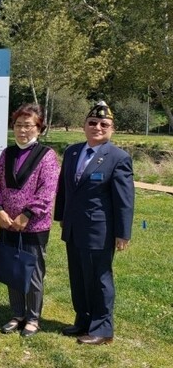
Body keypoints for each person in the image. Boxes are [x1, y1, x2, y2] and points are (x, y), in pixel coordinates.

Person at [54, 101, 134, 345]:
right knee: (78, 276)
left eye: (104, 124)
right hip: (74, 227)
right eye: (92, 122)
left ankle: (102, 328)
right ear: (84, 126)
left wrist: (123, 233)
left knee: (99, 279)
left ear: (112, 129)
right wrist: (61, 217)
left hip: (100, 230)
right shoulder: (72, 152)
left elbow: (124, 199)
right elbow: (65, 189)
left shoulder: (118, 158)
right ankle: (83, 320)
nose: (97, 127)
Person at [0, 103, 60, 337]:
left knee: (33, 271)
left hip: (33, 226)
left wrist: (26, 215)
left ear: (39, 128)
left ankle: (32, 318)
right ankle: (17, 314)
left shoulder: (47, 156)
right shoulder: (6, 154)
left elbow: (47, 191)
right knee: (13, 269)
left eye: (28, 125)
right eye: (18, 125)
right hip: (7, 223)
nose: (22, 130)